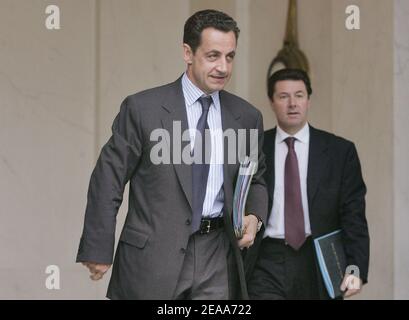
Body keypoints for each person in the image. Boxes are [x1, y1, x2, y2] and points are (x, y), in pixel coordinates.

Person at [76, 9, 267, 300]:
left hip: (218, 256)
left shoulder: (247, 116)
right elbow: (108, 179)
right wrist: (98, 247)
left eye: (230, 57)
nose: (224, 67)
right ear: (187, 53)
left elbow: (256, 178)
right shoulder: (143, 110)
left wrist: (254, 216)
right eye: (213, 55)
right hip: (152, 258)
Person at [245, 68, 369, 300]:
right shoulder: (255, 148)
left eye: (299, 95)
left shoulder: (340, 152)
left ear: (309, 100)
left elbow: (353, 214)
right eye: (283, 96)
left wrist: (356, 266)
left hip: (318, 258)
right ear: (271, 102)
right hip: (267, 259)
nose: (292, 103)